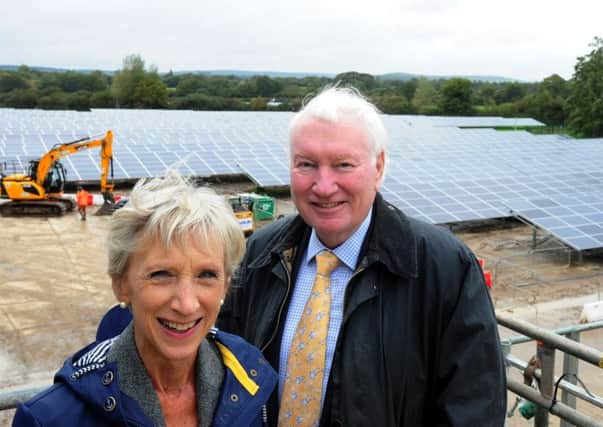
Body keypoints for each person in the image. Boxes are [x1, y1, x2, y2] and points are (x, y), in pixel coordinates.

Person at [217, 87, 507, 426]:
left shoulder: (443, 268)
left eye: (343, 165)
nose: (323, 186)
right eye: (306, 165)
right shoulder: (260, 254)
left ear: (379, 167)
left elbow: (473, 410)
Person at [13, 171, 278, 427]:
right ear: (121, 284)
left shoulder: (255, 384)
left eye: (206, 275)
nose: (186, 305)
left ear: (226, 286)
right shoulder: (50, 419)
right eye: (161, 274)